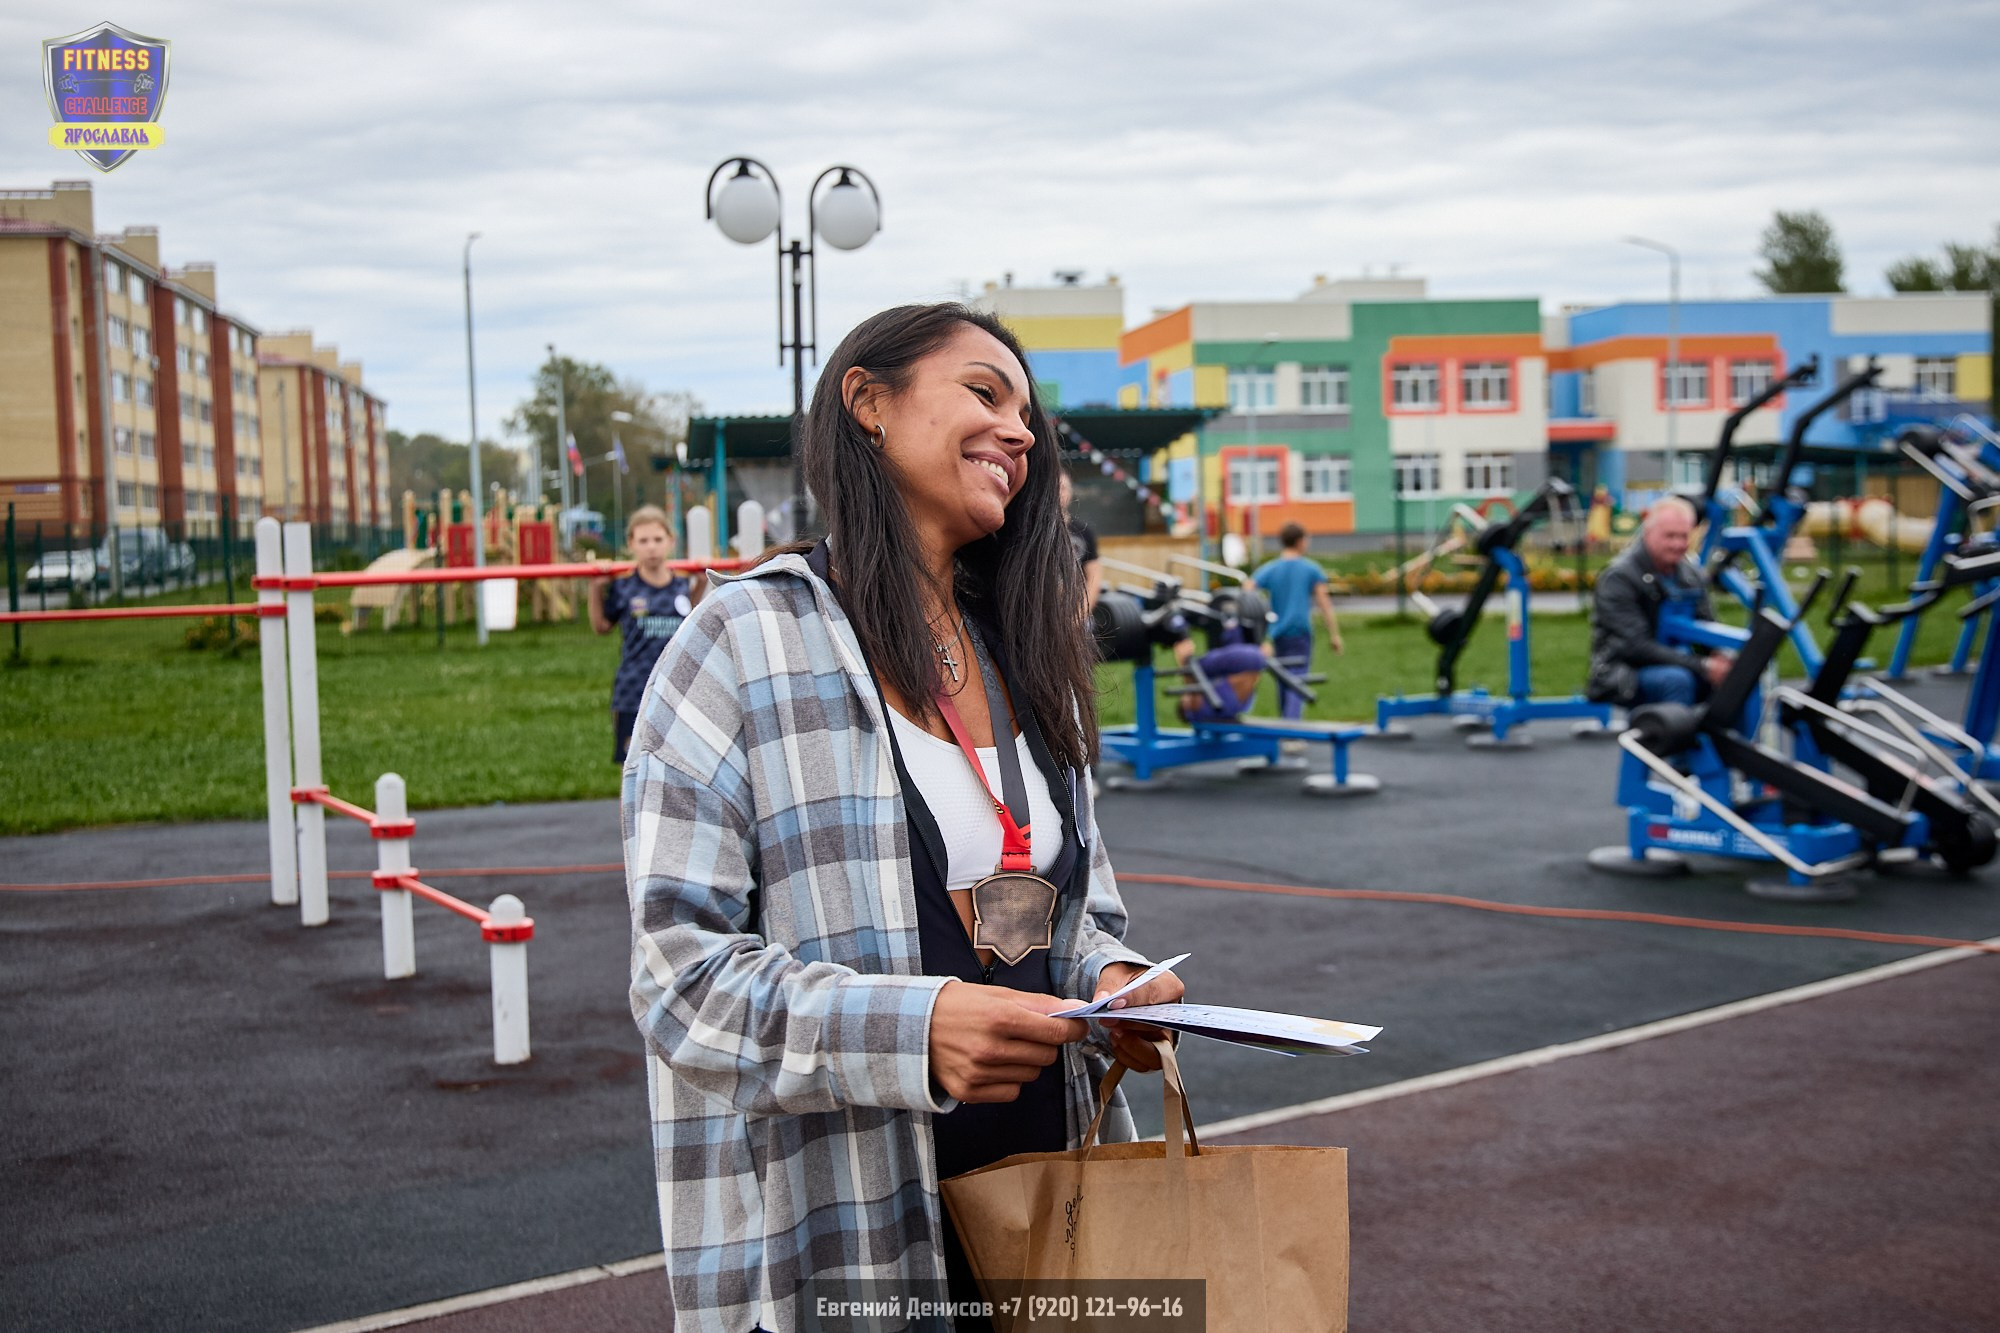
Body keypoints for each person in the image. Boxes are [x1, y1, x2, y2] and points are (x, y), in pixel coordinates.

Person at [622, 303, 1184, 1333]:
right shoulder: (741, 642)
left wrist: (1110, 982)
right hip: (845, 1234)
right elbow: (679, 980)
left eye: (1028, 417)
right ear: (868, 402)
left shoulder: (1025, 651)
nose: (1017, 431)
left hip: (1043, 1208)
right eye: (983, 392)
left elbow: (1073, 918)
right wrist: (913, 1032)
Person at [1586, 495, 1732, 709]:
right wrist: (1703, 665)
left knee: (1736, 675)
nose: (1678, 544)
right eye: (1670, 536)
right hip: (1626, 670)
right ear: (1648, 532)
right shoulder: (1619, 578)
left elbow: (1707, 625)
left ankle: (1729, 731)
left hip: (1680, 662)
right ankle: (1663, 731)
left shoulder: (1691, 575)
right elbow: (1635, 646)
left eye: (1684, 536)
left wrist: (1723, 656)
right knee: (1676, 680)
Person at [589, 506, 701, 765]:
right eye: (643, 540)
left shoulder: (683, 585)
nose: (651, 547)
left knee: (680, 764)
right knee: (633, 766)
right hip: (633, 690)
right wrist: (595, 588)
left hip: (677, 689)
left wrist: (702, 582)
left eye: (658, 539)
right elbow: (601, 626)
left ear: (671, 541)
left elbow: (693, 622)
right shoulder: (624, 587)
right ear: (631, 544)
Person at [1251, 523, 1344, 729]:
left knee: (1282, 679)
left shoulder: (1271, 569)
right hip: (1300, 632)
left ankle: (1286, 725)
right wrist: (1334, 634)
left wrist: (1260, 618)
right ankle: (1292, 729)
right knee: (1298, 679)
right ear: (1300, 541)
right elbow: (1324, 603)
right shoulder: (1311, 569)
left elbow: (1248, 588)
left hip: (1277, 634)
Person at [1059, 469, 1102, 612]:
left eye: (1063, 488)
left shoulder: (1084, 532)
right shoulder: (1034, 531)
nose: (1059, 493)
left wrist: (1080, 615)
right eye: (1054, 487)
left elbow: (1094, 577)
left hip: (1076, 610)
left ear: (1070, 492)